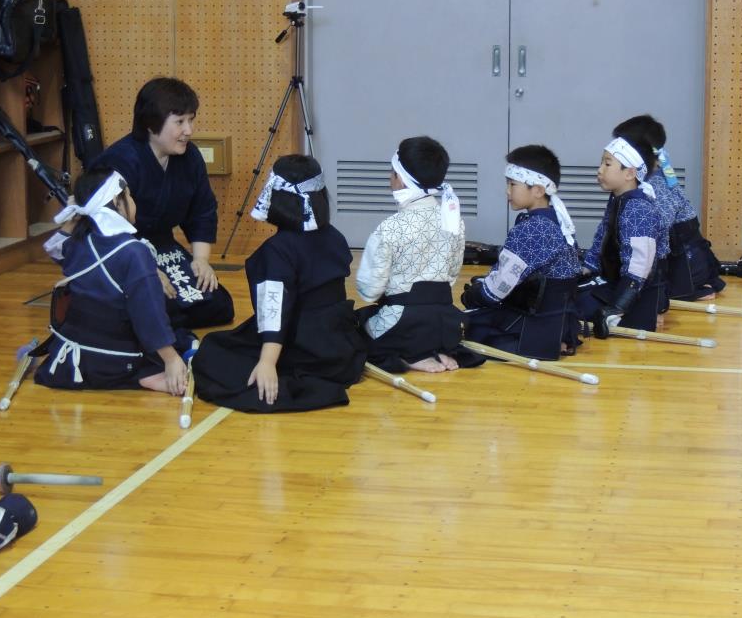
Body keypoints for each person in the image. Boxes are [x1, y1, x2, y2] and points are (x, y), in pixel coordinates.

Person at [192, 155, 366, 413]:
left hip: (304, 344)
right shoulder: (335, 236)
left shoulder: (278, 250)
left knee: (212, 353)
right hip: (339, 344)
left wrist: (267, 363)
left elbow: (275, 311)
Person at [33, 168, 192, 394]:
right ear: (117, 203)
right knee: (182, 339)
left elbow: (55, 249)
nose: (133, 201)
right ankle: (144, 374)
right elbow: (148, 314)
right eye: (128, 196)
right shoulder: (134, 252)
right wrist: (171, 359)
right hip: (117, 360)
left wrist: (75, 217)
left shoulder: (78, 242)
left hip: (74, 354)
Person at [93, 77, 234, 329]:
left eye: (191, 120)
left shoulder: (190, 157)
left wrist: (201, 260)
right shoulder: (120, 160)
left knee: (218, 304)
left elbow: (202, 210)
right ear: (151, 123)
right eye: (180, 122)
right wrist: (143, 270)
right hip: (122, 252)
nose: (188, 130)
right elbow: (104, 229)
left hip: (162, 245)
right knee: (155, 303)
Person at [356, 136, 484, 373]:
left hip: (403, 322)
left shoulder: (390, 228)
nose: (390, 178)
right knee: (423, 316)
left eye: (392, 173)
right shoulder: (453, 221)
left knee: (356, 329)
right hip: (445, 321)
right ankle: (434, 348)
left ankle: (409, 355)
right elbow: (451, 275)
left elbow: (369, 290)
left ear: (401, 179)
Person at [461, 144, 582, 359]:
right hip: (561, 320)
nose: (507, 191)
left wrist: (473, 295)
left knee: (470, 326)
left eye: (512, 184)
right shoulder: (558, 220)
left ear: (538, 190)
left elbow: (497, 289)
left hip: (535, 325)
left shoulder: (532, 229)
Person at [612, 114, 724, 301]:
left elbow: (656, 235)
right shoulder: (639, 181)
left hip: (687, 266)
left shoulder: (656, 185)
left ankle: (691, 289)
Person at [578, 136, 663, 335]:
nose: (600, 170)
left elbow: (639, 268)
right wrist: (583, 269)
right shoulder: (618, 199)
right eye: (601, 163)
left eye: (607, 164)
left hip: (631, 298)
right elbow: (601, 240)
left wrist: (616, 309)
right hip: (611, 283)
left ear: (630, 173)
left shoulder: (639, 210)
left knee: (567, 307)